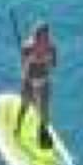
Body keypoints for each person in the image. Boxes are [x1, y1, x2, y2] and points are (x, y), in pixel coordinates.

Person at [16, 20, 59, 150]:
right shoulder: (27, 47)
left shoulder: (52, 48)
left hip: (44, 79)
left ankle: (42, 136)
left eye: (44, 36)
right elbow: (23, 64)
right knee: (25, 104)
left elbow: (54, 65)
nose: (41, 39)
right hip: (29, 78)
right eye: (38, 36)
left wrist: (47, 60)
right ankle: (18, 128)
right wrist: (30, 58)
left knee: (44, 111)